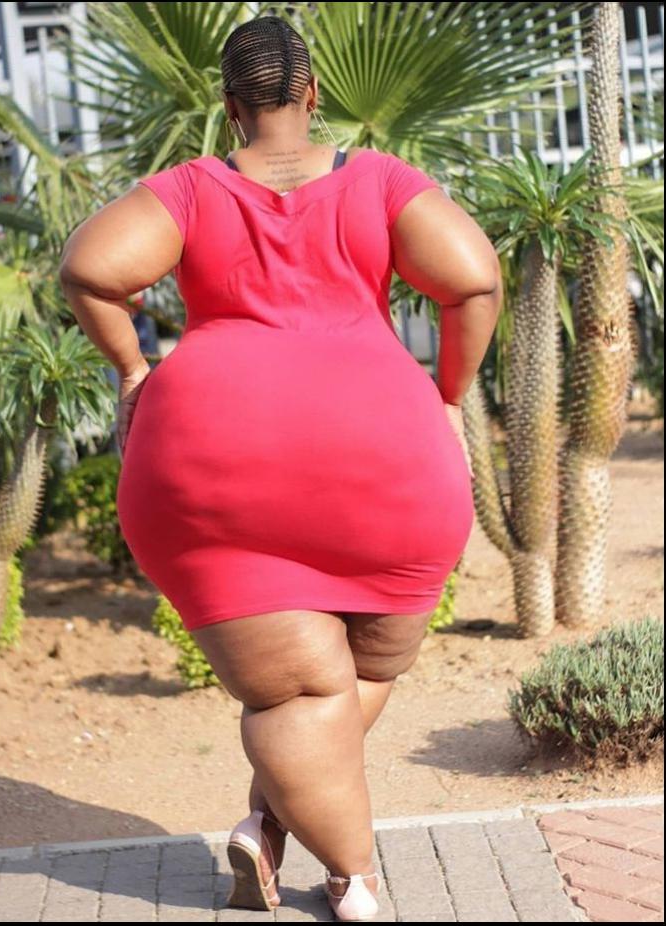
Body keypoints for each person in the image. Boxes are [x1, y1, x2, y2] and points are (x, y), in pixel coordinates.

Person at [59, 15, 502, 922]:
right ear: (313, 94)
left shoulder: (187, 189)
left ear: (230, 108)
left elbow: (92, 269)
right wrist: (450, 394)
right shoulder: (378, 181)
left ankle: (276, 830)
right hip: (385, 454)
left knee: (304, 693)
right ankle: (352, 876)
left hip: (210, 458)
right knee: (368, 665)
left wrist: (137, 370)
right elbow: (474, 279)